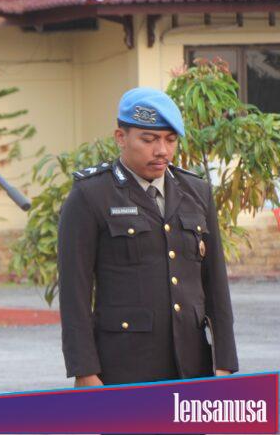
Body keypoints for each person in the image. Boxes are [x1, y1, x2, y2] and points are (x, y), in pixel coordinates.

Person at [58, 87, 238, 387]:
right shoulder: (91, 195)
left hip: (193, 365)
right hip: (124, 366)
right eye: (149, 139)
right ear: (121, 137)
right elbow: (74, 292)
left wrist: (225, 362)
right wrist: (85, 371)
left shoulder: (197, 192)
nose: (162, 150)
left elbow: (215, 283)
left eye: (170, 140)